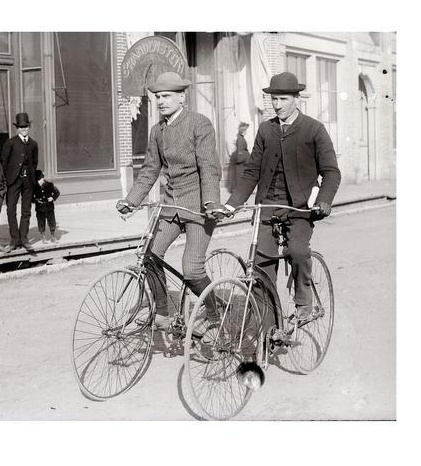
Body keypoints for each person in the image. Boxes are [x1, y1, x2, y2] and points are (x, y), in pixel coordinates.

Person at [220, 72, 341, 321]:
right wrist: (231, 205)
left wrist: (324, 201)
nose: (277, 105)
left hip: (299, 210)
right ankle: (268, 326)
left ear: (297, 98)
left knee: (297, 251)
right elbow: (252, 171)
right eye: (274, 99)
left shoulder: (314, 129)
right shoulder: (266, 130)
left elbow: (331, 172)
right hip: (267, 207)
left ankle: (304, 304)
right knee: (260, 267)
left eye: (283, 99)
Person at [116, 71, 223, 329]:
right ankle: (162, 312)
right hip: (171, 206)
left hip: (199, 208)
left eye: (166, 96)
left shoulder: (200, 123)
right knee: (149, 254)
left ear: (182, 97)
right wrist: (131, 200)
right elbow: (150, 170)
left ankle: (214, 313)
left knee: (192, 270)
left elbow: (209, 167)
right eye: (157, 97)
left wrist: (211, 202)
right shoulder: (157, 131)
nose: (161, 101)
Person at [1, 112, 38, 251]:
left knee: (26, 210)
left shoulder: (33, 144)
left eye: (26, 126)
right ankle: (14, 239)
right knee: (11, 210)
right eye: (21, 127)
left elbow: (34, 163)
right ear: (17, 128)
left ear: (29, 127)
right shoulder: (10, 143)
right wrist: (7, 180)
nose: (24, 129)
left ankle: (24, 238)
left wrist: (32, 177)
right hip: (13, 181)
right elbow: (5, 163)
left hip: (28, 181)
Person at [32, 169, 60, 243]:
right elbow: (31, 196)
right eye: (38, 181)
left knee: (52, 222)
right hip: (40, 208)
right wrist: (35, 200)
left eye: (41, 180)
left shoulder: (49, 184)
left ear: (43, 178)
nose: (40, 182)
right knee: (41, 222)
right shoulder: (34, 187)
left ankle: (53, 236)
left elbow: (57, 192)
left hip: (49, 207)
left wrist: (53, 198)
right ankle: (43, 237)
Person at [228, 122, 251, 193]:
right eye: (246, 130)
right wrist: (242, 160)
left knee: (240, 175)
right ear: (243, 131)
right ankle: (239, 190)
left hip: (242, 160)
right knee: (240, 175)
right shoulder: (240, 139)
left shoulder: (240, 138)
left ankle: (239, 189)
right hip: (241, 161)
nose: (246, 131)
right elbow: (240, 151)